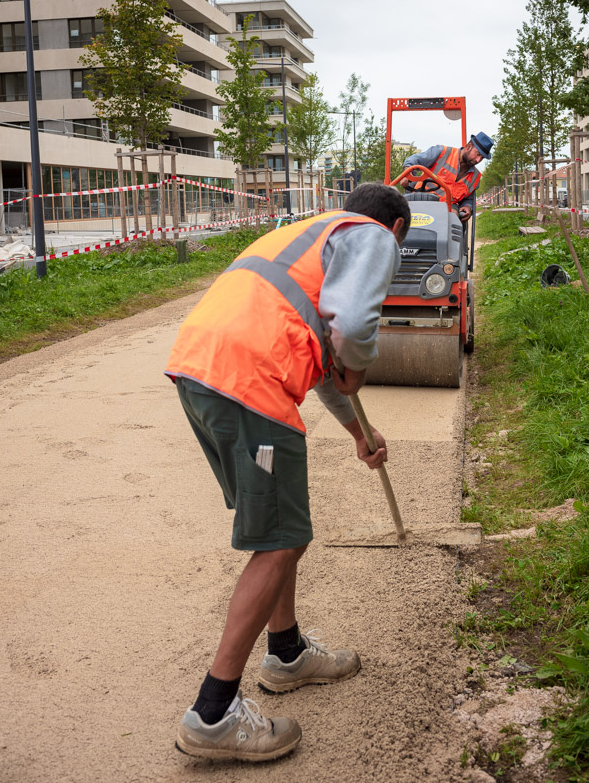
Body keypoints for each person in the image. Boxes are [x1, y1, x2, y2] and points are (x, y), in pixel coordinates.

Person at [165, 183, 410, 763]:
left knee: (281, 532)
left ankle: (287, 651)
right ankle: (214, 713)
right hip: (250, 380)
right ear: (395, 229)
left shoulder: (307, 235)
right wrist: (360, 365)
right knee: (281, 543)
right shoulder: (374, 235)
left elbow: (322, 357)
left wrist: (359, 433)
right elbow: (349, 332)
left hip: (203, 369)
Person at [402, 131, 494, 222]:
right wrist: (407, 175)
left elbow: (468, 199)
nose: (478, 160)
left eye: (482, 158)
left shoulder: (475, 177)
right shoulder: (442, 152)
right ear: (469, 146)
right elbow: (413, 161)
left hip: (447, 209)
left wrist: (467, 206)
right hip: (422, 199)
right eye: (477, 154)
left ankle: (448, 237)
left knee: (454, 214)